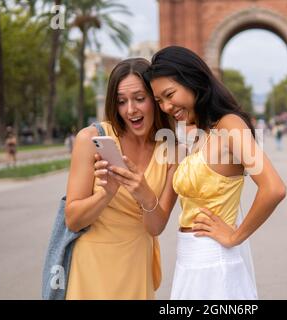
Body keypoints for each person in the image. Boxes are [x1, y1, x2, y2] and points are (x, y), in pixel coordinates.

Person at [145, 46, 287, 299]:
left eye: (169, 94)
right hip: (187, 260)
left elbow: (274, 188)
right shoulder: (195, 132)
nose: (166, 106)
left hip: (215, 263)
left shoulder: (229, 125)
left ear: (192, 79)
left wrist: (235, 236)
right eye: (159, 101)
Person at [64, 58, 178, 299]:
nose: (130, 110)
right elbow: (73, 220)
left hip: (137, 265)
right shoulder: (91, 139)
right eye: (121, 101)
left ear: (155, 99)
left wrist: (145, 195)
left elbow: (156, 226)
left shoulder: (171, 149)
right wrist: (106, 194)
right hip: (92, 268)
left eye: (139, 98)